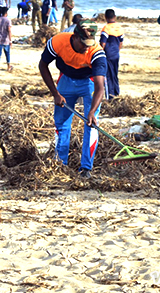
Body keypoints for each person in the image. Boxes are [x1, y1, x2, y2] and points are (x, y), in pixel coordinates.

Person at [39, 24, 106, 178]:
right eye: (83, 44)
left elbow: (100, 87)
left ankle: (85, 168)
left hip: (88, 82)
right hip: (66, 80)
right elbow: (43, 65)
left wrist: (91, 111)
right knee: (61, 123)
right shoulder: (58, 41)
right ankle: (60, 164)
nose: (86, 48)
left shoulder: (97, 53)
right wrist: (55, 93)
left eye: (89, 44)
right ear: (74, 37)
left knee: (91, 123)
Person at [100, 9, 124, 98]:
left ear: (105, 17)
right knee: (115, 74)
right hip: (116, 54)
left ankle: (110, 95)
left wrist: (101, 53)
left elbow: (103, 43)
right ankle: (116, 92)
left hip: (108, 54)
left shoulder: (106, 28)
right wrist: (117, 51)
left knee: (108, 76)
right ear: (114, 17)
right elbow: (121, 42)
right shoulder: (120, 28)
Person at [0, 7, 13, 73]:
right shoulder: (8, 20)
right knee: (7, 54)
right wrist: (10, 40)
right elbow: (9, 30)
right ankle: (8, 66)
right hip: (6, 39)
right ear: (6, 13)